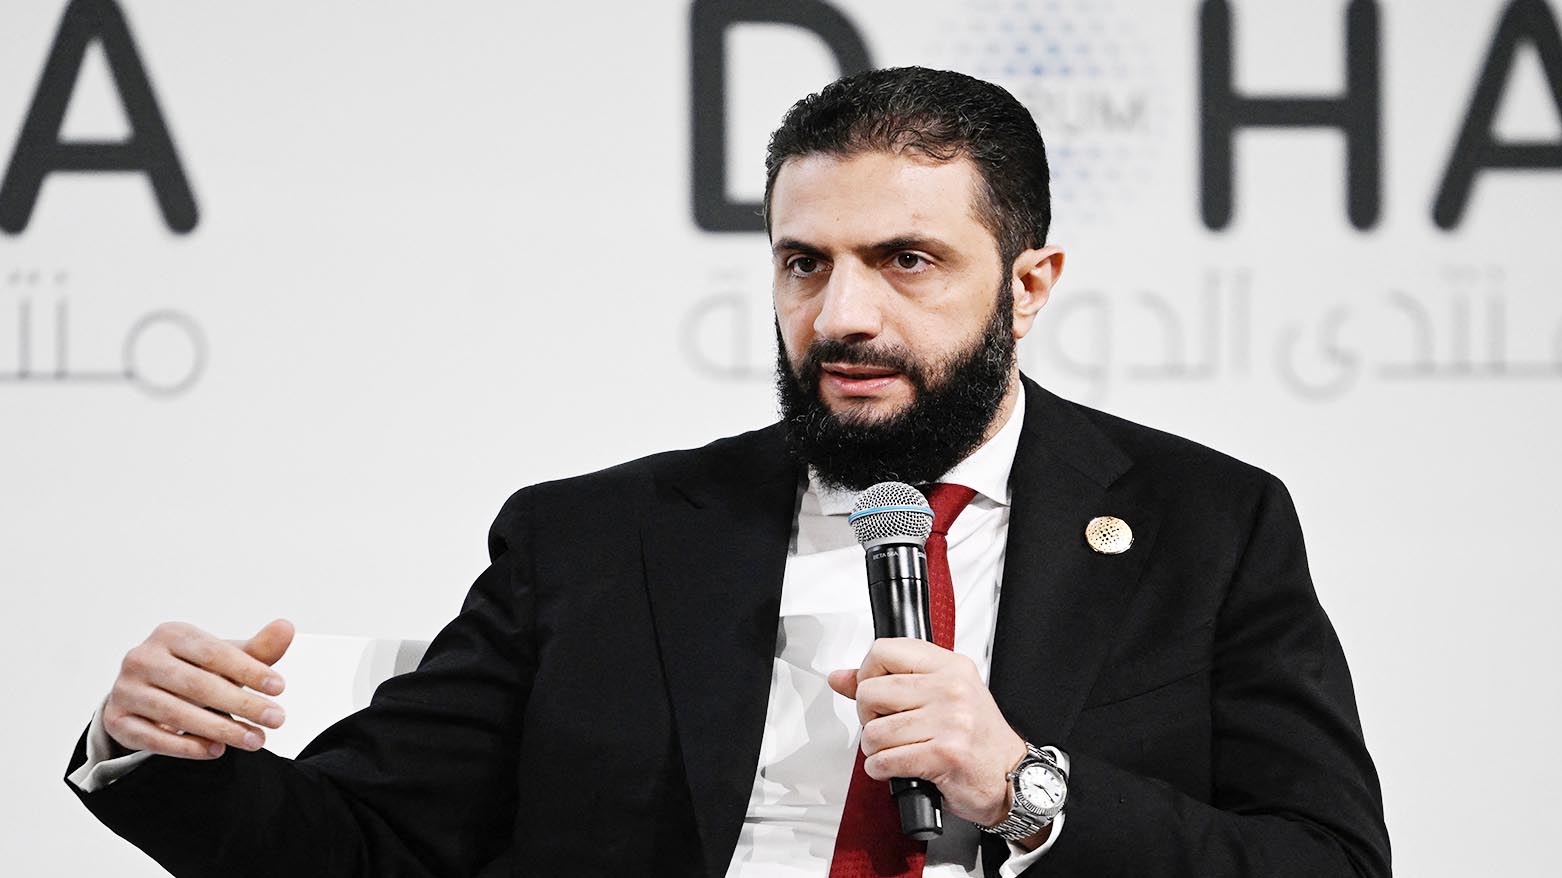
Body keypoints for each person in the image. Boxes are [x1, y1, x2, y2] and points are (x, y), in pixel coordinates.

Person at [65, 67, 1390, 877]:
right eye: (805, 263)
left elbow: (1325, 862)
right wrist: (155, 750)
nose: (843, 314)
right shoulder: (597, 539)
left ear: (1029, 285)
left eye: (907, 261)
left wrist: (1024, 788)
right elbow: (374, 845)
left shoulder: (1205, 526)